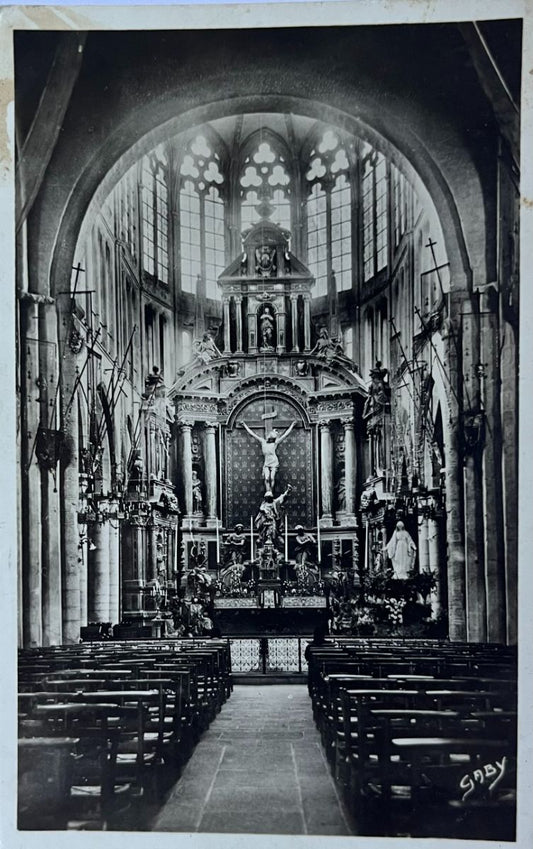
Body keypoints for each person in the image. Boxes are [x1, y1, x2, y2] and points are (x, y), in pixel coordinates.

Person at [242, 420, 296, 492]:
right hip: (267, 463)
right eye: (273, 433)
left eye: (276, 434)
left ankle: (271, 493)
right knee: (267, 479)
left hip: (274, 462)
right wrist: (244, 425)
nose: (274, 434)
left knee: (272, 478)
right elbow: (252, 434)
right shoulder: (263, 441)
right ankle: (268, 492)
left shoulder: (275, 443)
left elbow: (285, 434)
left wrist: (292, 425)